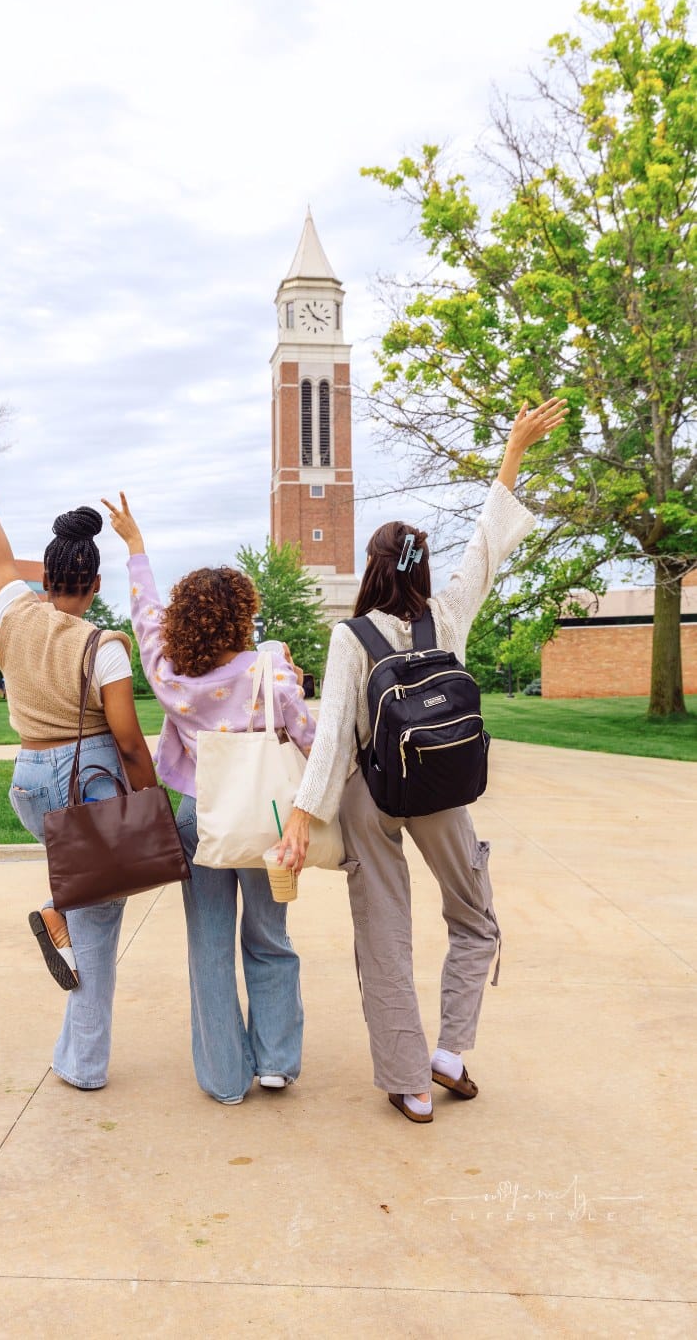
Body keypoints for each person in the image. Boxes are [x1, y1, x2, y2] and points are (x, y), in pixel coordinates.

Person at [278, 398, 568, 1123]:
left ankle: (409, 1083)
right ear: (420, 568)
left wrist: (300, 822)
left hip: (371, 794)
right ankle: (450, 1050)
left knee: (385, 934)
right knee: (476, 920)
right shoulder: (451, 610)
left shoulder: (352, 639)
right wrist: (513, 453)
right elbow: (486, 546)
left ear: (371, 569)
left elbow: (336, 740)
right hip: (440, 785)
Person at [0, 390, 156, 1091]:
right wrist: (147, 796)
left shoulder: (12, 612)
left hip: (29, 782)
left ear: (47, 575)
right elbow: (126, 741)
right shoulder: (104, 647)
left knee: (88, 892)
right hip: (83, 785)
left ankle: (61, 906)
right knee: (102, 918)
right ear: (90, 584)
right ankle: (83, 1066)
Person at [102, 492, 314, 1105]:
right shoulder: (268, 673)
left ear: (186, 622)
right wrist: (292, 679)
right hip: (268, 823)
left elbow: (145, 617)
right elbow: (311, 740)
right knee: (270, 937)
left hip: (201, 820)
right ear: (243, 616)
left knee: (210, 946)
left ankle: (224, 1077)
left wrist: (136, 547)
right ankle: (275, 1060)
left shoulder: (170, 676)